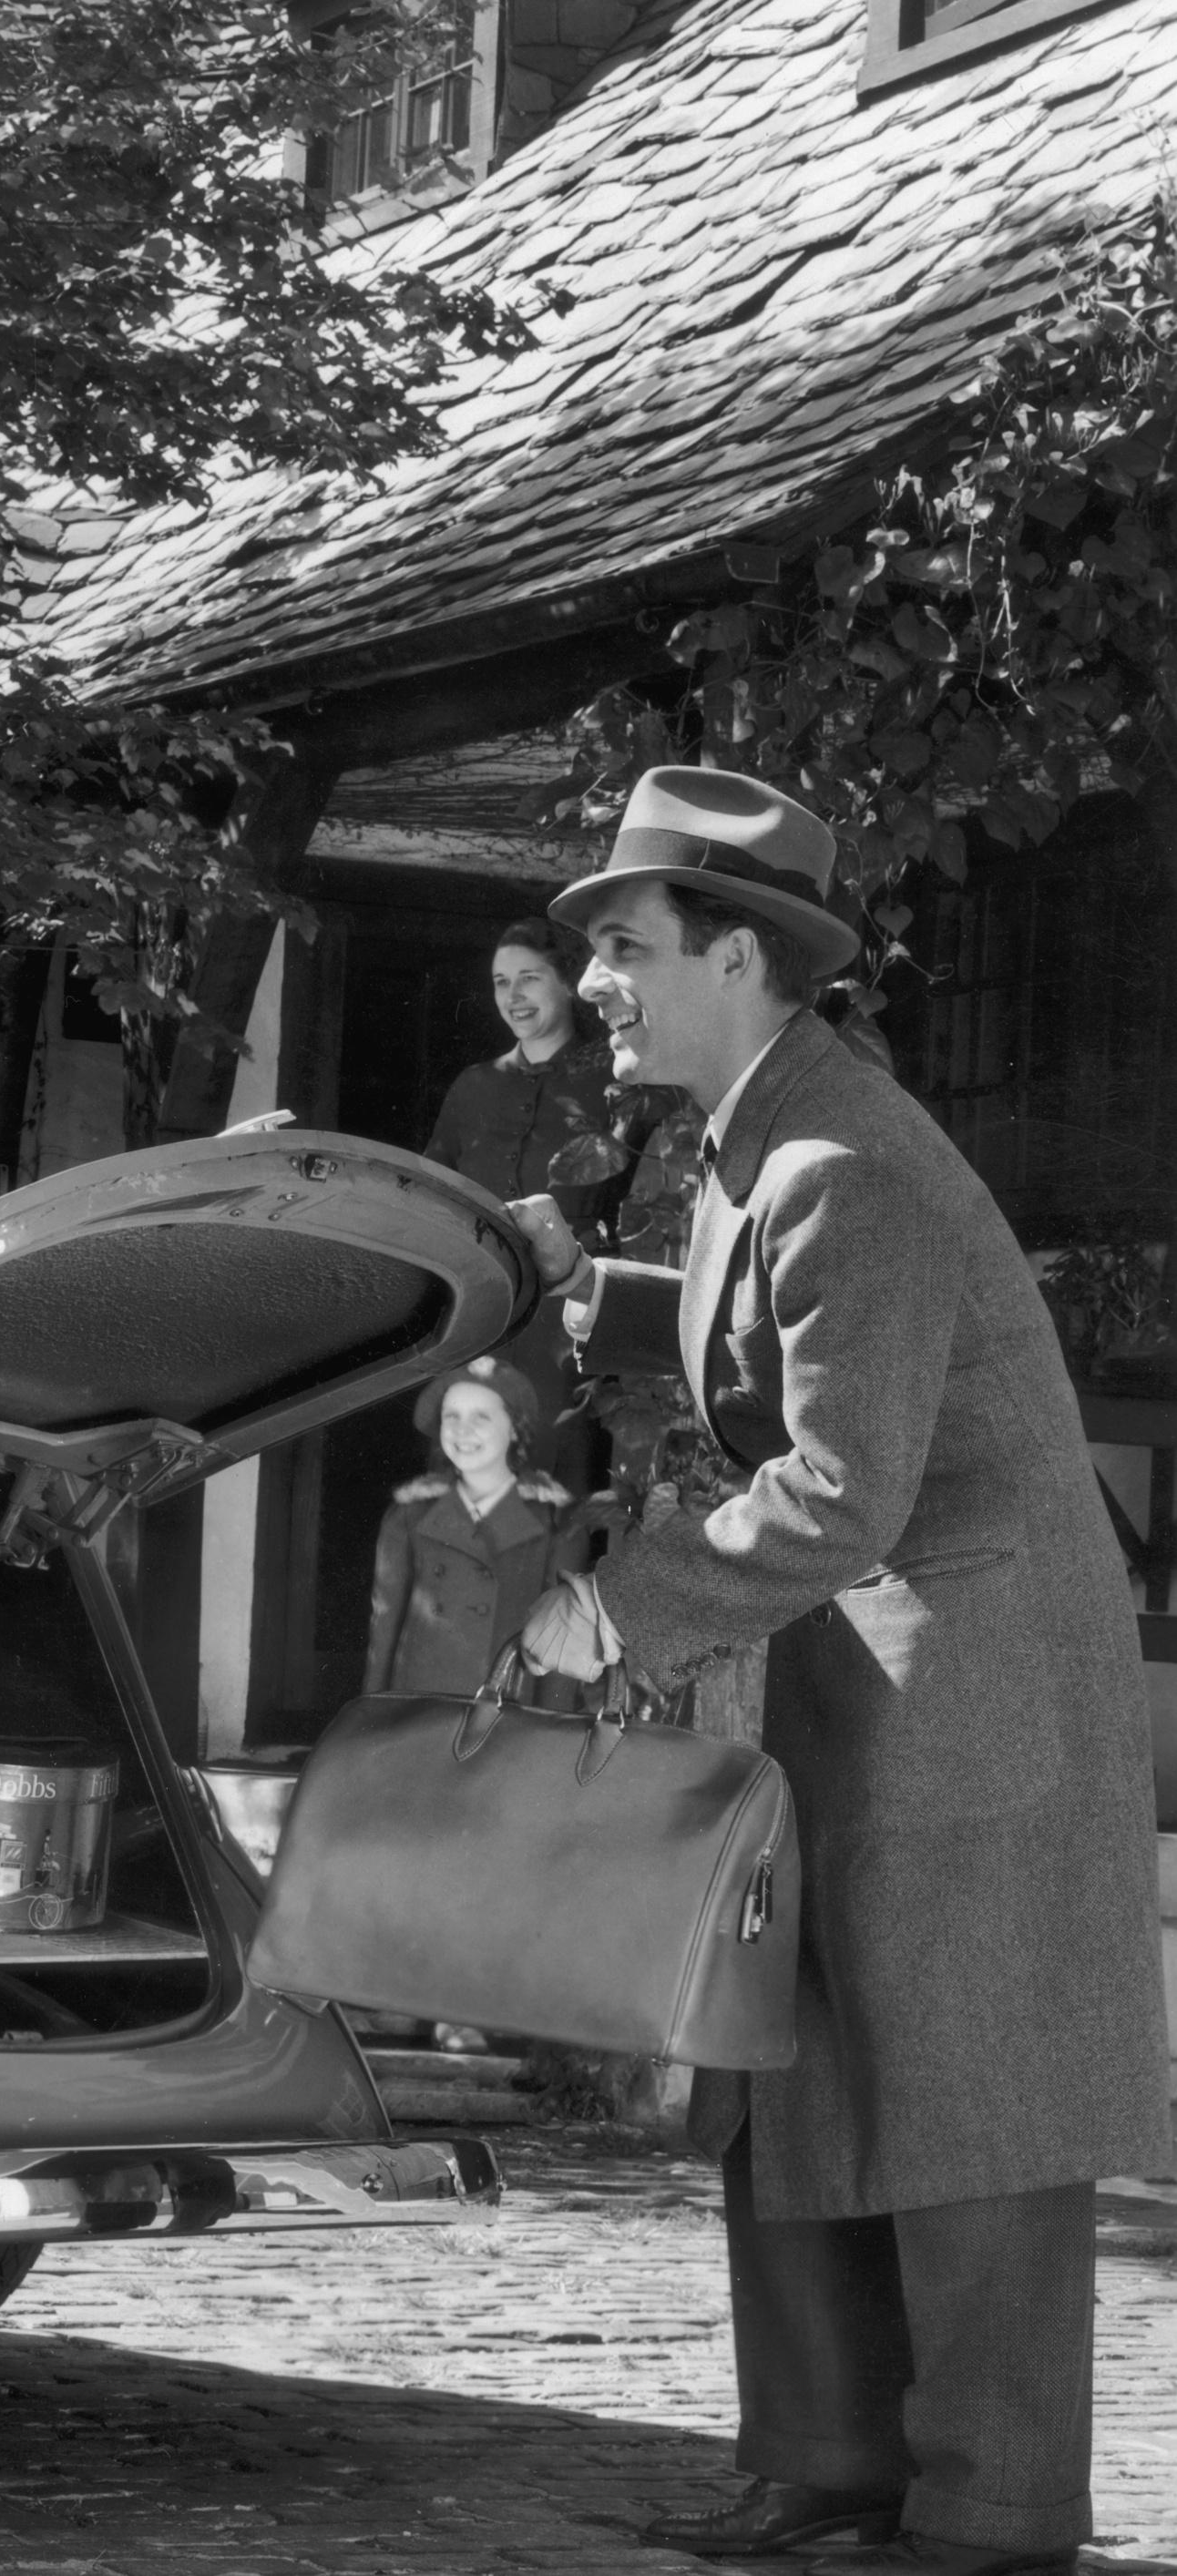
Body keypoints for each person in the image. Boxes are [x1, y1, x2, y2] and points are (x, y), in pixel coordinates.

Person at [502, 766, 1170, 2576]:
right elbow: (787, 1354)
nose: (601, 982)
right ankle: (826, 2472)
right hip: (873, 1668)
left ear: (738, 953)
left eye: (627, 946)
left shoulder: (838, 1157)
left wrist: (609, 1608)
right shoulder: (761, 1127)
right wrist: (619, 1307)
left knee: (963, 2099)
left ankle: (993, 2515)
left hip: (966, 1679)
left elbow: (833, 1483)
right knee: (796, 2062)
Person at [360, 1354, 595, 1702]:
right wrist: (372, 1717)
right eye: (451, 1416)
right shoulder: (409, 1516)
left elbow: (560, 1644)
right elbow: (385, 1625)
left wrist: (551, 1736)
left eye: (480, 1416)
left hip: (505, 1713)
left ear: (515, 1427)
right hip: (417, 1708)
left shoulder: (556, 1523)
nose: (462, 1430)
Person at [423, 916, 618, 1218]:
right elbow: (429, 1190)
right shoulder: (472, 1085)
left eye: (528, 978)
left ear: (568, 983)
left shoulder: (615, 1078)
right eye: (502, 982)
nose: (513, 996)